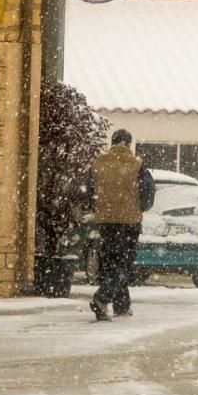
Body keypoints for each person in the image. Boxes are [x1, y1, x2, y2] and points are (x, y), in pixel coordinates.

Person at [85, 129, 155, 322]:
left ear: (112, 143)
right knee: (123, 265)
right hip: (129, 222)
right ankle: (101, 298)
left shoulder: (98, 164)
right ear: (129, 144)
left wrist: (98, 208)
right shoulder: (137, 165)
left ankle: (122, 305)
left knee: (111, 262)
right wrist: (138, 207)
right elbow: (148, 193)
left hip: (105, 222)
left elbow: (88, 190)